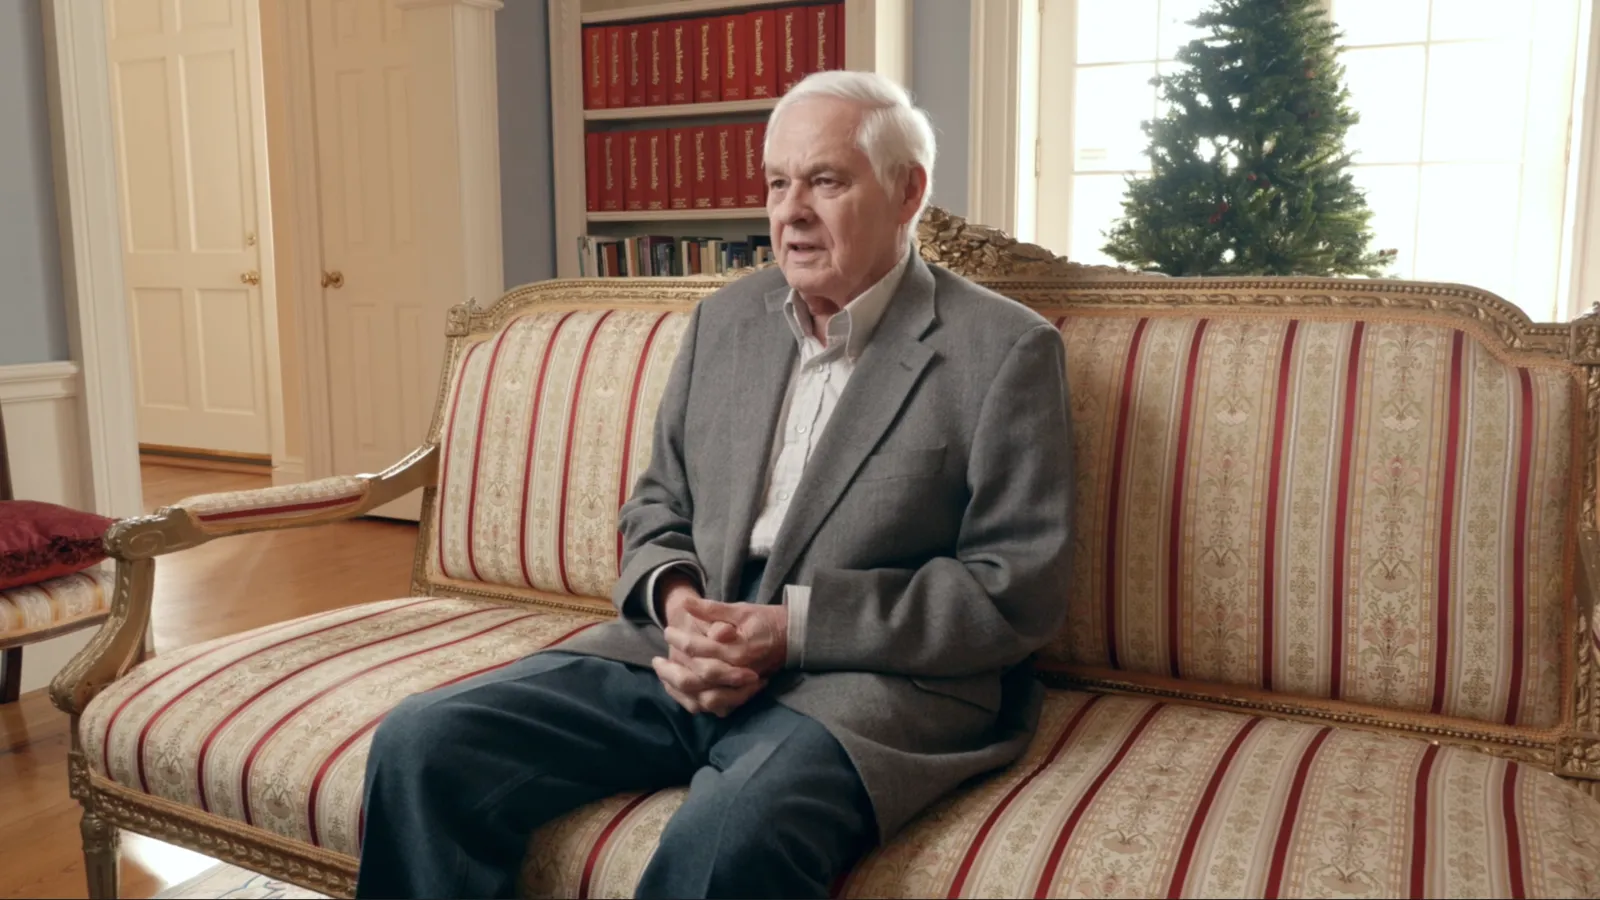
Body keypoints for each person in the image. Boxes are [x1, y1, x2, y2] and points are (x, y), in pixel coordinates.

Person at [354, 70, 1075, 900]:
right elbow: (657, 502)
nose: (790, 210)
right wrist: (680, 604)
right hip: (682, 648)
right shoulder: (725, 320)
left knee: (728, 836)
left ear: (907, 191)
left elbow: (1011, 591)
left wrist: (791, 629)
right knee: (424, 741)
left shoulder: (1004, 350)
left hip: (868, 681)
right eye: (777, 182)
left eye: (826, 181)